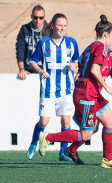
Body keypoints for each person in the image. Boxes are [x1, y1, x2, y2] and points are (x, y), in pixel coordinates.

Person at [38, 15, 112, 168]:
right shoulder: (100, 47)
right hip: (86, 95)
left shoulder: (105, 54)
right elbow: (93, 70)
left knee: (110, 120)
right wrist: (106, 87)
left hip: (92, 94)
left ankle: (105, 158)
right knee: (87, 133)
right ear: (106, 36)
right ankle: (48, 138)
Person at [27, 13, 79, 162]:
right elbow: (33, 61)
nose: (62, 28)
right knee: (43, 122)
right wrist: (41, 71)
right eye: (59, 25)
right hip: (48, 89)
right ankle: (33, 143)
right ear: (52, 26)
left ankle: (63, 152)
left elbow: (77, 60)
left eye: (64, 25)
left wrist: (74, 65)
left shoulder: (71, 43)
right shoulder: (44, 43)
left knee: (66, 122)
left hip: (66, 89)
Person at [16, 4, 47, 80]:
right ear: (31, 16)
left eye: (41, 18)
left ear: (44, 17)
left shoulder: (49, 30)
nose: (38, 21)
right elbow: (20, 50)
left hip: (45, 71)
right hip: (28, 71)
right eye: (35, 17)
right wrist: (22, 69)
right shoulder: (24, 29)